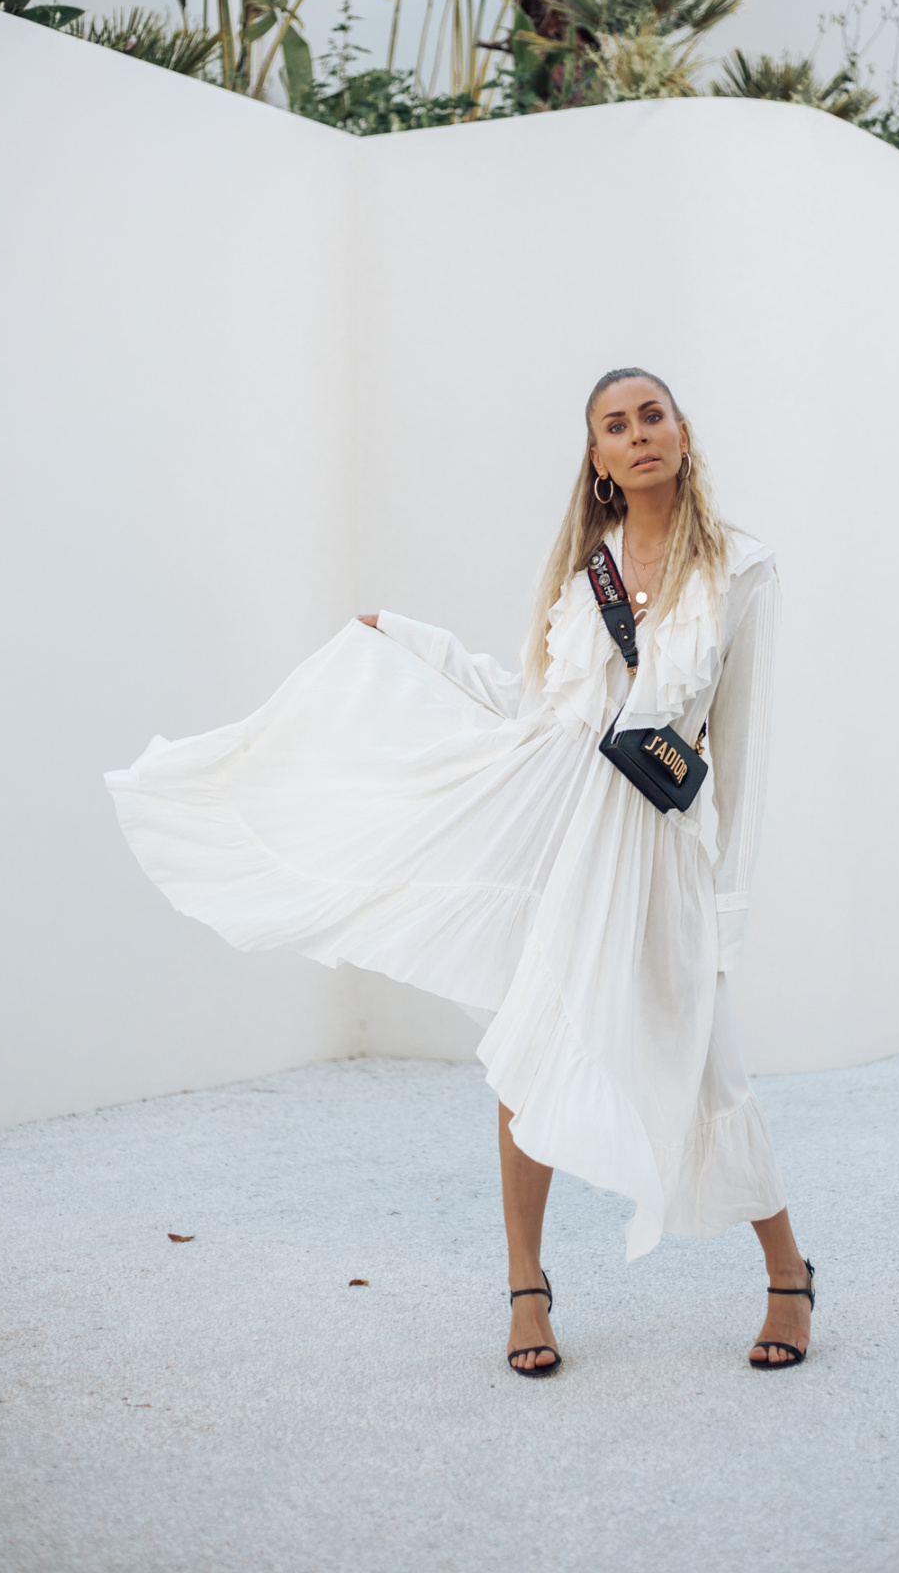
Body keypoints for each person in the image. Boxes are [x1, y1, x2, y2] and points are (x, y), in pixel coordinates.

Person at [106, 368, 814, 1376]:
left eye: (652, 416)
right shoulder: (587, 573)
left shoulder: (744, 570)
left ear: (682, 432)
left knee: (708, 1059)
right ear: (599, 458)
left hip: (659, 849)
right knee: (530, 1047)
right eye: (616, 426)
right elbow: (534, 707)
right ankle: (527, 1287)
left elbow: (740, 752)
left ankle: (788, 1275)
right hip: (554, 832)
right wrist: (414, 647)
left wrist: (725, 909)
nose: (639, 435)